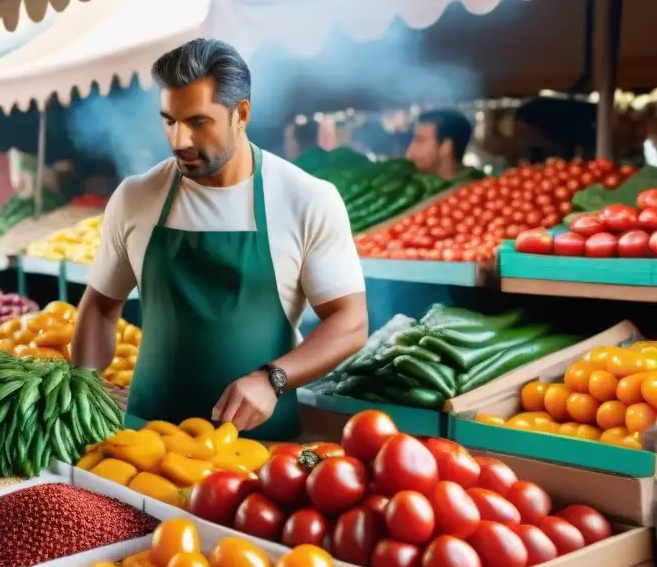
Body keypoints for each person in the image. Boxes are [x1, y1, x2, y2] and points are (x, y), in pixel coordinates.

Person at [71, 39, 369, 440]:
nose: (179, 141)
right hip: (144, 445)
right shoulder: (135, 197)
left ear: (240, 113)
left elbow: (350, 321)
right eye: (169, 121)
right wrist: (82, 392)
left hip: (260, 450)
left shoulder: (306, 199)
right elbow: (100, 308)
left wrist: (273, 379)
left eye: (197, 122)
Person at [405, 109, 472, 179]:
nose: (410, 149)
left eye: (420, 141)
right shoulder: (409, 185)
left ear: (446, 146)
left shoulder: (476, 187)